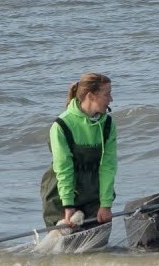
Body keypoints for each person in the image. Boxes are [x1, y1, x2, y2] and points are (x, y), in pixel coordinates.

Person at [40, 72, 118, 231]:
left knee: (97, 248)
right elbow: (64, 168)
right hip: (61, 195)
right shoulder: (61, 125)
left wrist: (105, 204)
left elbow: (108, 167)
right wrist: (68, 205)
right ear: (91, 96)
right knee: (66, 248)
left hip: (93, 194)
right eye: (107, 94)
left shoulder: (108, 124)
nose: (111, 99)